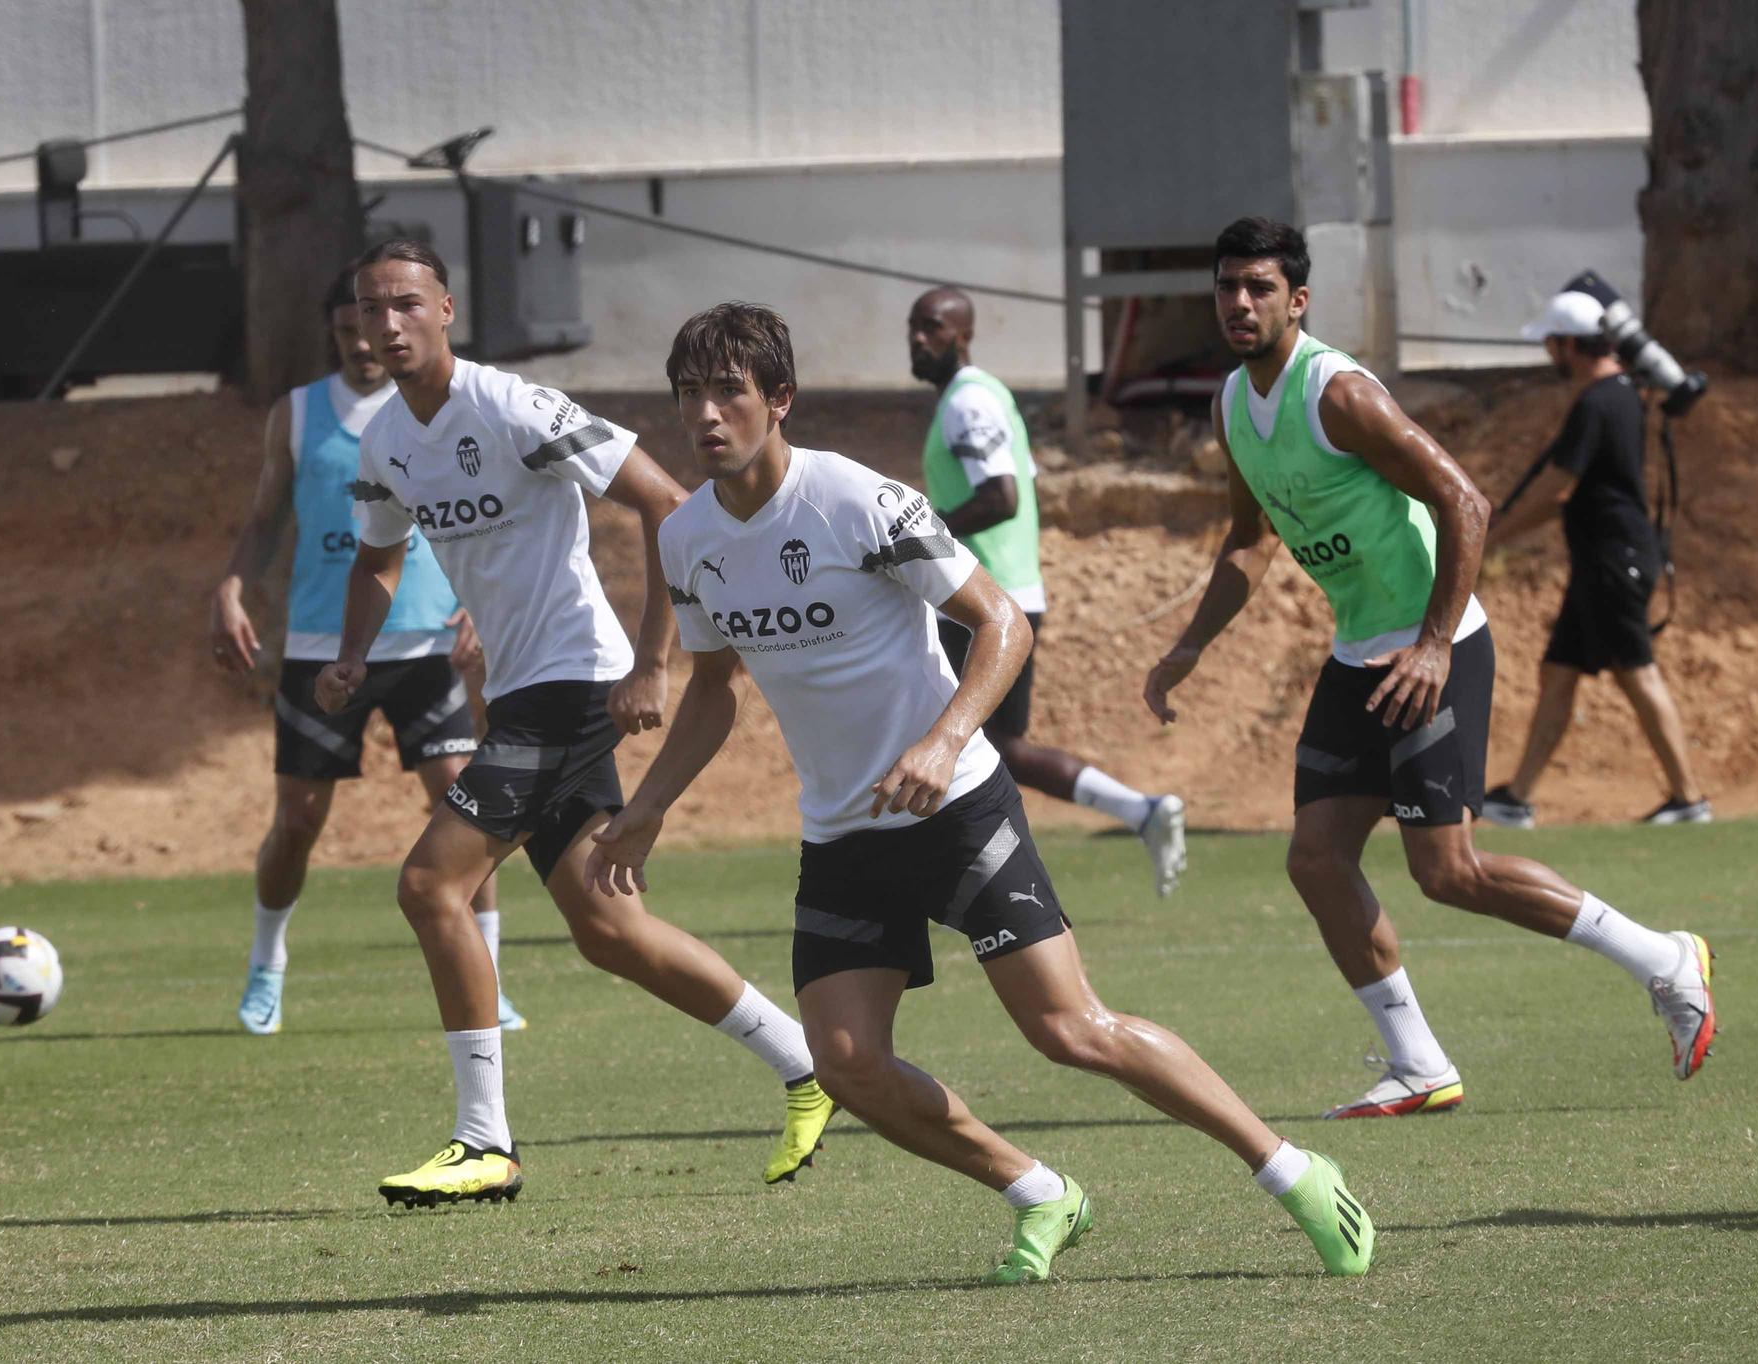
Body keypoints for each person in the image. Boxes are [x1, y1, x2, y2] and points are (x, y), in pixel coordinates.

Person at [587, 301, 1374, 1284]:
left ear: (777, 400)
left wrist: (943, 736)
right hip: (842, 833)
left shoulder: (857, 502)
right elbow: (712, 688)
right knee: (845, 1060)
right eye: (688, 395)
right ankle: (1038, 1188)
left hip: (955, 803)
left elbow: (1001, 620)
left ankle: (1291, 1166)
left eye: (727, 392)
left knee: (1067, 1028)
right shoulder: (687, 537)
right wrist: (649, 803)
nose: (704, 414)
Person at [1141, 219, 1717, 1119]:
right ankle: (1417, 1064)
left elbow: (1464, 500)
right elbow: (1250, 542)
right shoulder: (1229, 406)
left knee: (1448, 871)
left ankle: (1663, 959)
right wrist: (1190, 643)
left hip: (1435, 646)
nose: (1240, 303)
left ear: (1298, 301)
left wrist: (1437, 643)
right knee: (1316, 859)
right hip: (1359, 652)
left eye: (1259, 288)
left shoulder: (1338, 393)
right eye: (1227, 287)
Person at [318, 241, 834, 1206]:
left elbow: (665, 504)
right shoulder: (385, 442)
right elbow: (377, 564)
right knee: (609, 931)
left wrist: (653, 659)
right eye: (366, 311)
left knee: (432, 886)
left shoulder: (512, 407)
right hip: (520, 691)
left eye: (403, 306)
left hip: (571, 681)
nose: (383, 326)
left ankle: (484, 1142)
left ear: (445, 310)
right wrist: (351, 654)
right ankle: (808, 1064)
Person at [210, 267, 525, 1037]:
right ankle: (267, 966)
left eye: (375, 324)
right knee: (299, 819)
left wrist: (479, 607)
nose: (364, 342)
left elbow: (500, 513)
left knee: (461, 799)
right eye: (350, 327)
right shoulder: (296, 414)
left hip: (425, 644)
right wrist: (229, 588)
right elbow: (264, 518)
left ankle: (489, 977)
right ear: (337, 332)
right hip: (323, 646)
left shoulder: (438, 411)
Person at [907, 287, 1188, 896]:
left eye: (931, 327)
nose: (917, 339)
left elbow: (1001, 495)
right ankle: (1136, 813)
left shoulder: (968, 403)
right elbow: (1022, 480)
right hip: (1003, 595)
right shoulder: (989, 397)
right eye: (913, 327)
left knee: (957, 740)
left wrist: (915, 539)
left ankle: (957, 878)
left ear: (962, 335)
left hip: (980, 602)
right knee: (992, 746)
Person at [1479, 289, 1711, 828]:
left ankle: (1689, 797)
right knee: (1558, 672)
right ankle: (1516, 798)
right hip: (1603, 561)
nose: (1547, 354)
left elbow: (1559, 487)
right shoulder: (1620, 393)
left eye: (1550, 344)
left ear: (1568, 345)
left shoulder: (1598, 401)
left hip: (1613, 560)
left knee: (1637, 674)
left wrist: (1495, 535)